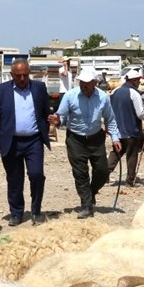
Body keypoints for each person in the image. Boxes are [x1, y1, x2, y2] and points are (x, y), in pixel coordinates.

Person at [50, 66, 121, 218]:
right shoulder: (70, 96)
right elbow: (61, 116)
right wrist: (57, 121)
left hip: (96, 138)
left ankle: (91, 191)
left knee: (102, 171)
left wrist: (115, 138)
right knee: (80, 173)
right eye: (82, 82)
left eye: (88, 83)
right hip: (75, 139)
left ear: (95, 83)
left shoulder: (103, 97)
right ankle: (86, 205)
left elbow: (110, 119)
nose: (84, 85)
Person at [0, 59, 52, 226]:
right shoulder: (2, 91)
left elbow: (46, 112)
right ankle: (16, 213)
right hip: (11, 142)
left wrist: (47, 127)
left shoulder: (39, 88)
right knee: (14, 179)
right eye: (18, 76)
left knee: (37, 175)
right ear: (12, 75)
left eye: (25, 75)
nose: (22, 78)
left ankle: (36, 211)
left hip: (34, 141)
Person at [108, 69, 144, 187]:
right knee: (132, 155)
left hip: (117, 130)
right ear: (134, 80)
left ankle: (104, 175)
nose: (139, 83)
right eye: (138, 80)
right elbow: (140, 113)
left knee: (116, 153)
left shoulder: (115, 91)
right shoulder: (134, 93)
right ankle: (130, 180)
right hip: (131, 130)